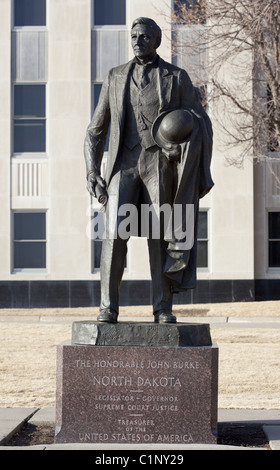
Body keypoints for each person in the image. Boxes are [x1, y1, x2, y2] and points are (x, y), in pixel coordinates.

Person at [84, 17, 214, 324]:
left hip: (159, 164)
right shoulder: (115, 77)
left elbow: (200, 120)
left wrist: (186, 137)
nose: (138, 41)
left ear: (156, 40)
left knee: (160, 235)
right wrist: (92, 173)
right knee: (114, 235)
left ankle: (162, 308)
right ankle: (108, 308)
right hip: (123, 166)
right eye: (134, 36)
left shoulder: (176, 77)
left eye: (144, 36)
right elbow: (95, 131)